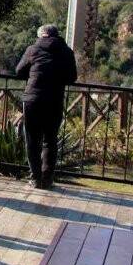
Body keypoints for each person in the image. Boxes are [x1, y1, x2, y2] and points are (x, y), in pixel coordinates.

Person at [16, 24, 78, 190]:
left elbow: (19, 71)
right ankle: (47, 178)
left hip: (33, 99)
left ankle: (35, 178)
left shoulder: (33, 49)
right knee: (50, 140)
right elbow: (72, 77)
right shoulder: (66, 52)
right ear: (56, 35)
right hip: (54, 100)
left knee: (32, 140)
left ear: (41, 35)